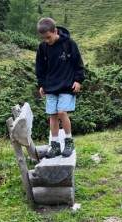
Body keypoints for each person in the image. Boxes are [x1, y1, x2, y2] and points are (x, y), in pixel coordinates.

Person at [35, 17, 85, 158]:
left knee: (62, 112)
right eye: (43, 38)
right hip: (50, 86)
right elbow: (40, 68)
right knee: (53, 115)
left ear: (55, 31)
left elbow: (78, 64)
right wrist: (41, 84)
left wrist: (78, 81)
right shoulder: (42, 47)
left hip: (67, 85)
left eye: (48, 37)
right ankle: (55, 145)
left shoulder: (68, 44)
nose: (46, 40)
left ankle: (69, 142)